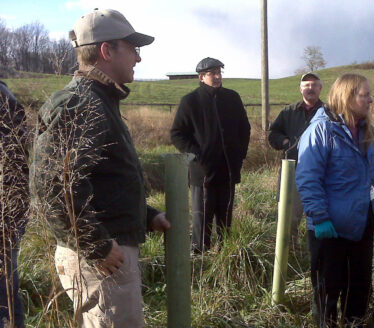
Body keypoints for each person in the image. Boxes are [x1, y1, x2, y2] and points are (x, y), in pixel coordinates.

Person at [30, 9, 170, 327]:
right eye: (132, 47)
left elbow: (100, 182)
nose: (138, 57)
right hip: (100, 260)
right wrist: (97, 245)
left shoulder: (98, 101)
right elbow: (52, 186)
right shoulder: (82, 104)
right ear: (107, 51)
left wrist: (147, 216)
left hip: (104, 254)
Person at [296, 74, 374, 327]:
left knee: (359, 288)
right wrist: (319, 217)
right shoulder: (321, 130)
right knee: (328, 292)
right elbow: (308, 178)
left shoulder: (367, 132)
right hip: (330, 229)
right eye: (365, 95)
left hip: (362, 224)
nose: (371, 100)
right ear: (348, 97)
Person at [171, 57, 250, 253]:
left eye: (219, 72)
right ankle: (200, 256)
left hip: (229, 169)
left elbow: (244, 129)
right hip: (203, 171)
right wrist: (197, 155)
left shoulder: (232, 98)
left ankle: (225, 254)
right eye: (212, 73)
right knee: (202, 216)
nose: (217, 77)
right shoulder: (190, 101)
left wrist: (239, 154)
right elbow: (177, 134)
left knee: (225, 216)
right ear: (201, 77)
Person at [268, 72, 323, 249]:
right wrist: (286, 142)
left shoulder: (328, 112)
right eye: (306, 85)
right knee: (288, 216)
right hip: (292, 170)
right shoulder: (288, 112)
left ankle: (316, 253)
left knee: (319, 216)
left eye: (314, 85)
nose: (310, 88)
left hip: (320, 172)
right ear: (300, 89)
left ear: (320, 88)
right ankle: (290, 255)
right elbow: (273, 134)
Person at [0, 80, 28, 327]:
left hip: (4, 220)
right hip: (9, 218)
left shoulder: (2, 99)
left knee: (4, 300)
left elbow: (15, 166)